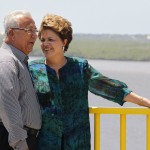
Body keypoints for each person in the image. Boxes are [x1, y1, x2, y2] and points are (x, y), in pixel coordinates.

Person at [29, 14, 150, 150]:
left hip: (77, 143)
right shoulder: (33, 69)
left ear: (64, 41)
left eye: (51, 39)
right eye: (43, 39)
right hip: (45, 144)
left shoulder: (80, 68)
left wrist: (144, 102)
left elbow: (110, 88)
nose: (45, 44)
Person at [0, 10, 41, 150]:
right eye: (29, 30)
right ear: (12, 34)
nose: (35, 35)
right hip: (14, 142)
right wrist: (20, 144)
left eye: (35, 30)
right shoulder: (6, 62)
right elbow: (7, 106)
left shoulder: (19, 60)